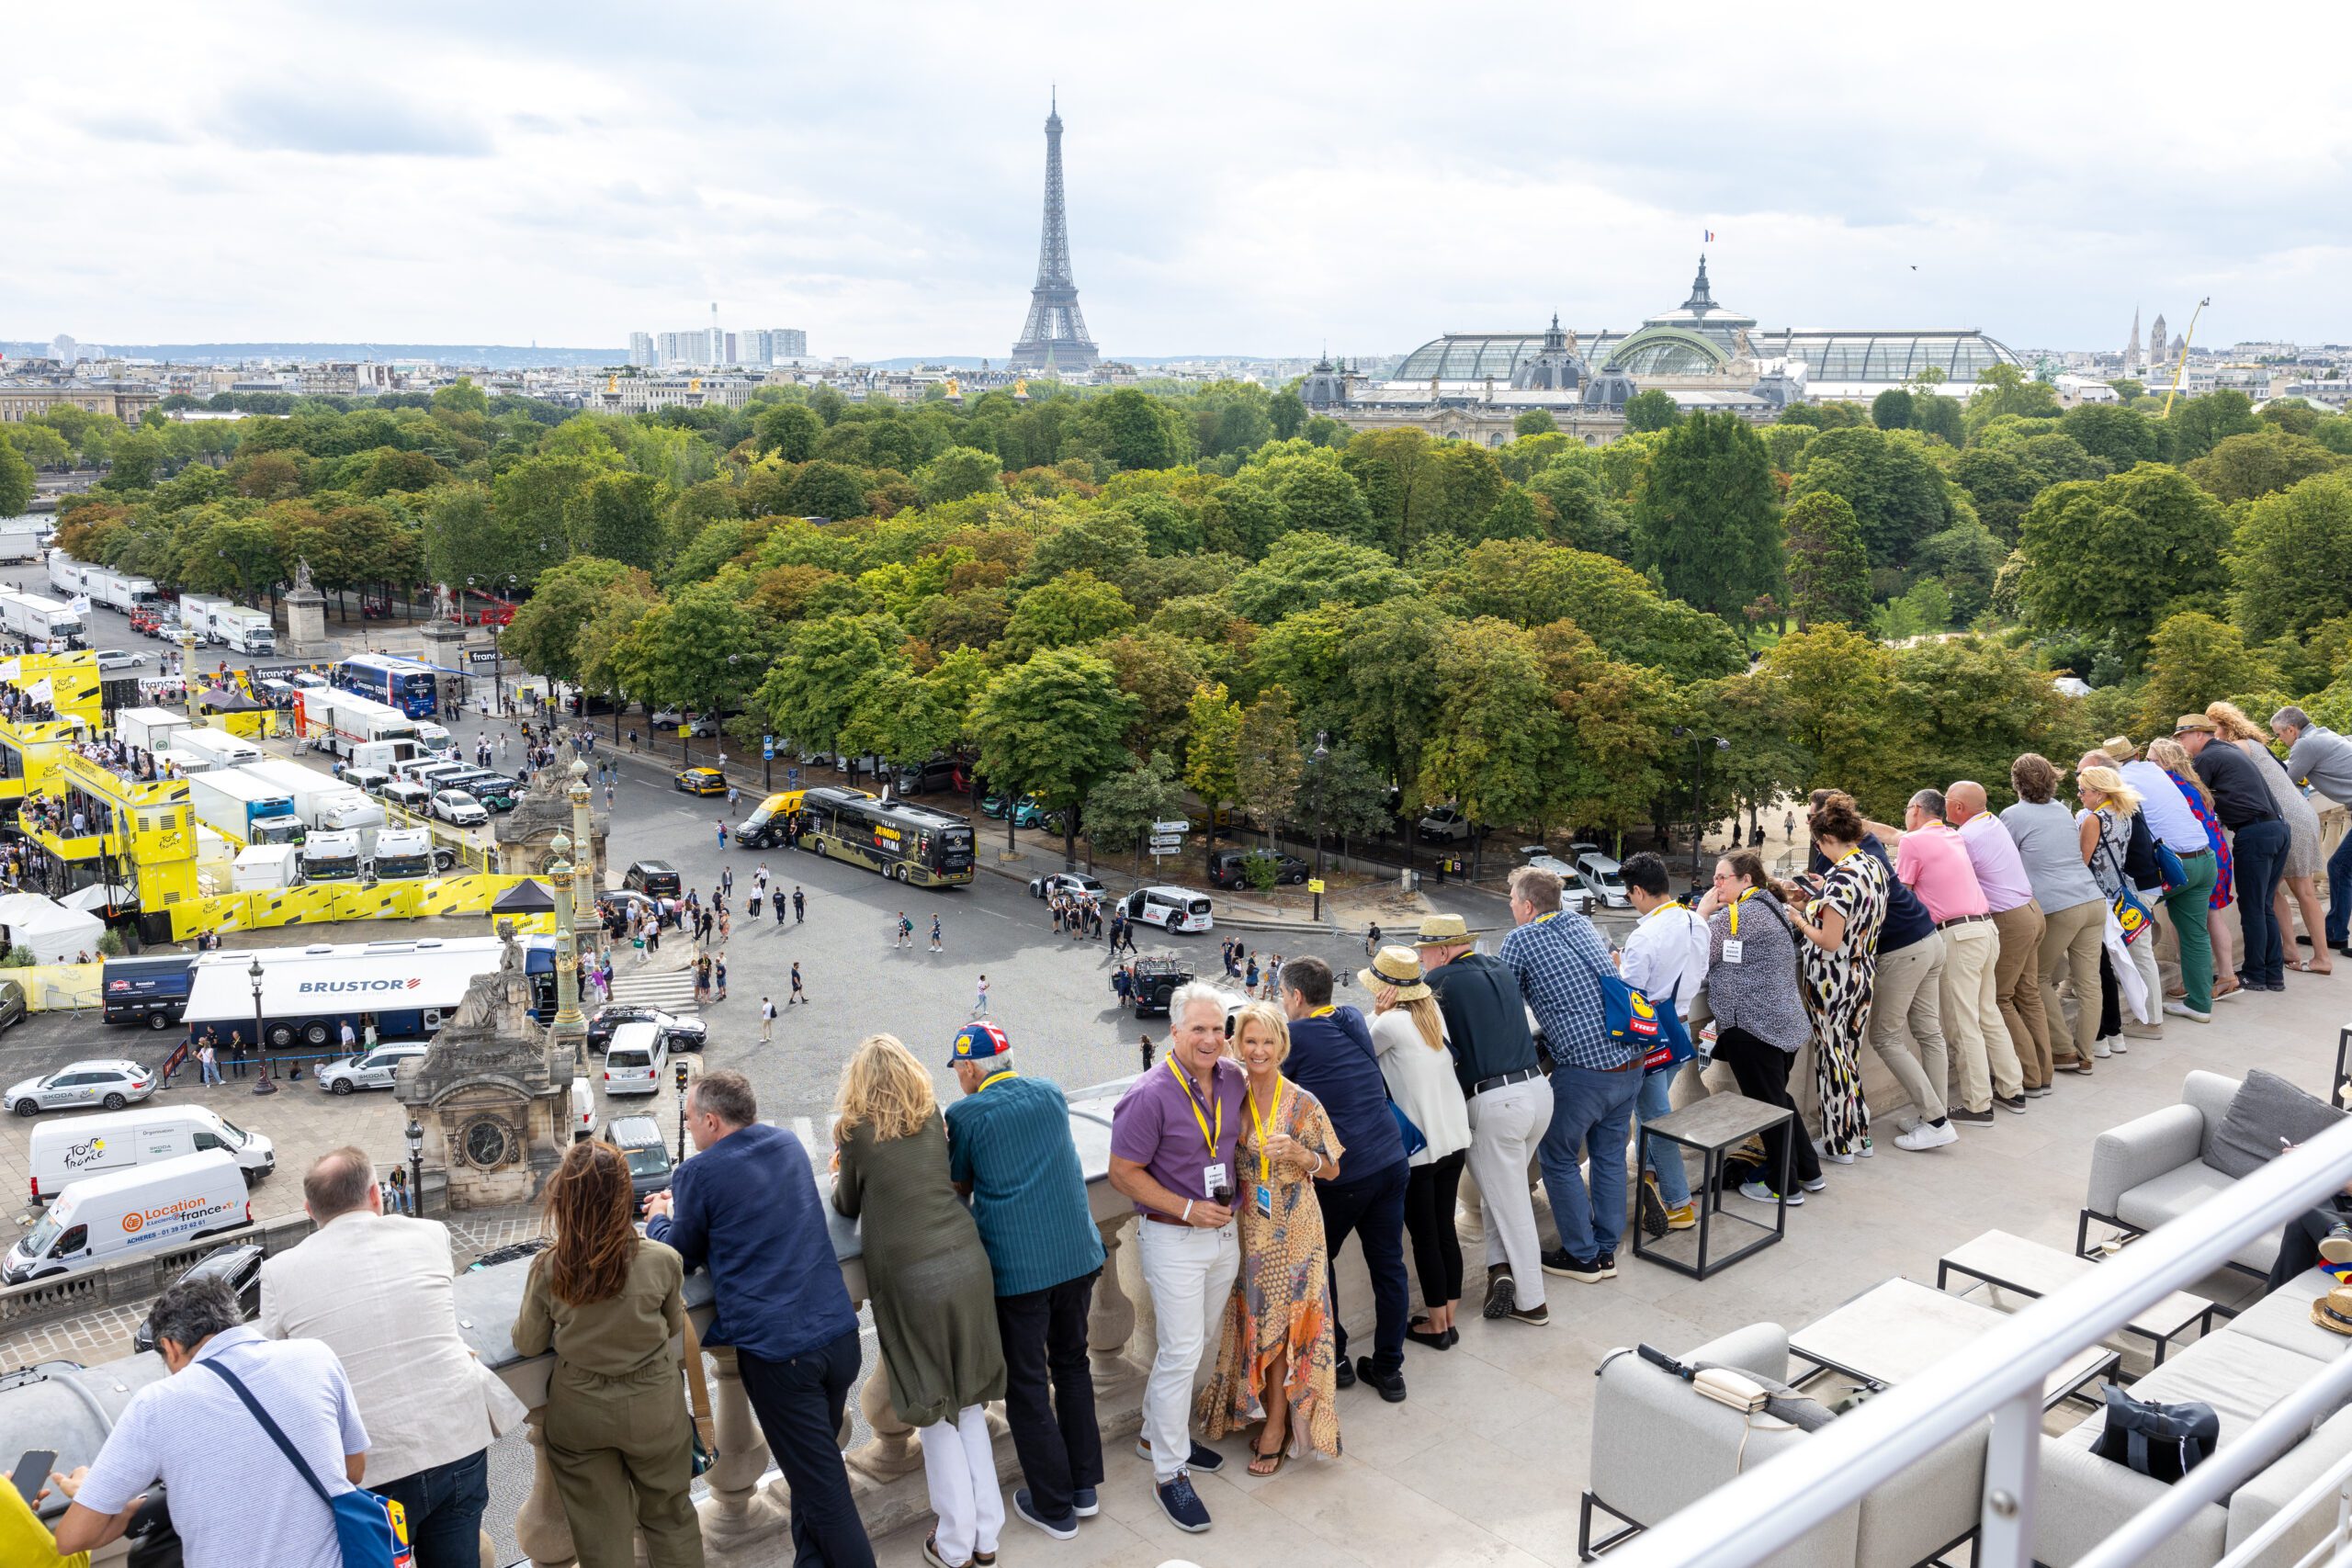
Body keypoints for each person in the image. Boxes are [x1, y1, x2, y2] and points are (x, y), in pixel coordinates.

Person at [643, 1071, 874, 1568]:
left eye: (688, 1120)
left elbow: (679, 1253)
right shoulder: (788, 1144)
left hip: (781, 1356)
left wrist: (660, 1215)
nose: (688, 1129)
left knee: (827, 1497)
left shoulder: (698, 1174)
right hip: (837, 1335)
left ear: (711, 1121)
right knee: (812, 1477)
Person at [258, 1147, 505, 1568]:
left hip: (371, 1467)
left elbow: (277, 1370)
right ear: (376, 1194)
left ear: (309, 1210)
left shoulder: (280, 1272)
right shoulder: (429, 1235)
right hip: (454, 1438)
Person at [830, 1036, 1007, 1568]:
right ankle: (987, 1536)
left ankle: (953, 1543)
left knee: (932, 1409)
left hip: (911, 1276)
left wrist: (843, 1163)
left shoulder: (856, 1131)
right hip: (965, 1257)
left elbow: (846, 1202)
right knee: (970, 1400)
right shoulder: (930, 1113)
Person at [47, 1274, 369, 1566]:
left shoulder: (156, 1405)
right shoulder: (315, 1356)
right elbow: (352, 1471)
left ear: (170, 1347)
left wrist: (101, 1495)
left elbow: (71, 1539)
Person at [944, 1021, 1105, 1539]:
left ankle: (1055, 1508)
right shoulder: (1051, 1092)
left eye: (958, 1070)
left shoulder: (965, 1113)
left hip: (1021, 1270)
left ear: (968, 1068)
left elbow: (959, 1183)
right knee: (1074, 1365)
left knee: (1028, 1385)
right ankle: (1083, 1488)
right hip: (1077, 1255)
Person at [513, 1142, 702, 1568]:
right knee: (671, 1518)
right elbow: (673, 1326)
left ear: (565, 1200)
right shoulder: (662, 1260)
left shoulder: (550, 1268)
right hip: (655, 1408)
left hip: (581, 1415)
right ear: (623, 1196)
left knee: (601, 1537)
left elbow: (527, 1343)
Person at [1108, 982, 1245, 1534]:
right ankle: (1169, 1472)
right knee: (1181, 1351)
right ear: (1174, 1031)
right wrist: (1188, 1208)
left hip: (1225, 1236)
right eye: (1199, 1030)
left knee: (1202, 1343)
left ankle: (1154, 1436)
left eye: (1218, 1029)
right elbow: (1122, 1173)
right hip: (1173, 1238)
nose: (1211, 1039)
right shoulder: (1150, 1093)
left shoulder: (1232, 1079)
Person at [1198, 1001, 1344, 1475]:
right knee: (1255, 1323)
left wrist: (1303, 1154)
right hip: (1247, 1231)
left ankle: (1279, 1428)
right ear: (1236, 1045)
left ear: (1282, 1045)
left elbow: (1334, 1168)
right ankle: (1255, 1409)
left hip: (1295, 1231)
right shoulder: (1228, 1093)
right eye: (1250, 1041)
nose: (1258, 1050)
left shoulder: (1302, 1101)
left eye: (1267, 1041)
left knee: (1283, 1333)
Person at [1278, 955, 1410, 1402]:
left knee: (1319, 1260)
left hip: (1345, 1171)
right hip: (1391, 1159)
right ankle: (1390, 1369)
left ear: (1295, 996)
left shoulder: (1294, 1036)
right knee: (1389, 1265)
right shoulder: (1352, 1016)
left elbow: (1271, 1091)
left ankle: (1335, 1357)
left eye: (1282, 996)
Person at [1499, 864, 1635, 1282]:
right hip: (1630, 1059)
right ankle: (1607, 1248)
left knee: (1556, 1156)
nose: (1510, 908)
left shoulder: (1520, 939)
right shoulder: (1579, 923)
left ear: (1526, 906)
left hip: (1586, 1070)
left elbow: (1502, 1000)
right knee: (1609, 1155)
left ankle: (1583, 1256)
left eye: (1511, 901)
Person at [1417, 912, 1552, 1325]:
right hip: (1537, 1093)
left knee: (1511, 1207)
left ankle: (1533, 1304)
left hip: (1496, 1104)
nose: (1421, 961)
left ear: (1441, 950)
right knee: (1500, 1192)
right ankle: (1499, 1270)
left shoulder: (1439, 983)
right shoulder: (1499, 967)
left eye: (1424, 953)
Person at [1884, 789, 2020, 1122]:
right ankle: (2012, 1088)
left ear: (1915, 809)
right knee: (1987, 1012)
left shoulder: (1913, 843)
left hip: (1957, 934)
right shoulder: (1951, 835)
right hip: (1985, 928)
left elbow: (1902, 894)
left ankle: (1978, 1104)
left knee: (1962, 1024)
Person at [1362, 946, 1473, 1347]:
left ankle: (1438, 1326)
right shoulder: (1432, 1014)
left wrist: (1375, 1012)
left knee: (1425, 1236)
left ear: (1386, 989)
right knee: (1445, 1230)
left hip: (1422, 1149)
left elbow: (1355, 1048)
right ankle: (1450, 1317)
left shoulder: (1388, 1023)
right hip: (1454, 1139)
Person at [1700, 852, 1825, 1204]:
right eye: (1716, 877)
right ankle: (1809, 1172)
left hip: (1753, 1028)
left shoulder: (1734, 917)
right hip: (1784, 1023)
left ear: (1746, 881)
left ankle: (1783, 1187)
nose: (1716, 883)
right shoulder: (1770, 905)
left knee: (1768, 1109)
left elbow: (1696, 956)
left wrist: (1702, 914)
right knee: (1778, 1101)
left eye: (1724, 877)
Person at [1785, 793, 1888, 1163]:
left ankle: (1838, 1143)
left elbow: (1829, 939)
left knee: (1832, 1060)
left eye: (1818, 843)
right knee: (1849, 1058)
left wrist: (1797, 918)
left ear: (1827, 839)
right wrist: (1814, 901)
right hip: (1862, 973)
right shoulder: (1872, 865)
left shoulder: (1841, 879)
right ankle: (1859, 1136)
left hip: (1832, 978)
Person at [2001, 754, 2109, 1078]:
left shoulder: (2012, 815)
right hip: (2091, 899)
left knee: (2037, 979)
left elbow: (2002, 861)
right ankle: (2086, 1054)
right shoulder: (2062, 809)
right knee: (2089, 981)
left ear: (2016, 782)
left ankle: (2063, 1050)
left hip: (2058, 906)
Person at [1616, 852, 1708, 1217]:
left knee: (1656, 1119)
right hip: (1681, 1026)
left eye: (1628, 894)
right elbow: (1699, 972)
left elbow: (1630, 994)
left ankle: (1678, 1202)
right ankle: (1649, 1178)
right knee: (1651, 1114)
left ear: (1638, 891)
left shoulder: (1643, 936)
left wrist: (1618, 965)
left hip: (1651, 1034)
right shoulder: (1696, 923)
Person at [2211, 702, 2329, 976]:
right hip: (2293, 815)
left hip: (2289, 819)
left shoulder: (2237, 746)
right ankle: (2288, 949)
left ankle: (2322, 958)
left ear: (2225, 727)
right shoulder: (2254, 744)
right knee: (2271, 892)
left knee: (2303, 892)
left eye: (2212, 728)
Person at [2177, 713, 2290, 992]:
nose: (2180, 743)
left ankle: (2254, 973)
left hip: (2254, 833)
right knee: (2264, 906)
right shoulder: (2227, 750)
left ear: (2200, 735)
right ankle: (2272, 974)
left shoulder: (2206, 759)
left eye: (2182, 736)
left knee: (2252, 907)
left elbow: (2191, 800)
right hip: (2276, 829)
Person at [2111, 736, 2220, 1021]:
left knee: (2120, 920)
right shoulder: (2155, 770)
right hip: (2204, 858)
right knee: (2196, 935)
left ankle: (2144, 1012)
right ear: (2136, 754)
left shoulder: (2119, 781)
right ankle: (2199, 1006)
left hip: (2173, 867)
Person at [2274, 705, 2352, 961]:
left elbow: (2283, 782)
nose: (2280, 740)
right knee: (2340, 867)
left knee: (2340, 867)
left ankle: (2335, 931)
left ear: (2291, 729)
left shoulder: (2305, 745)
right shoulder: (2324, 735)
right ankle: (2334, 931)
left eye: (2279, 734)